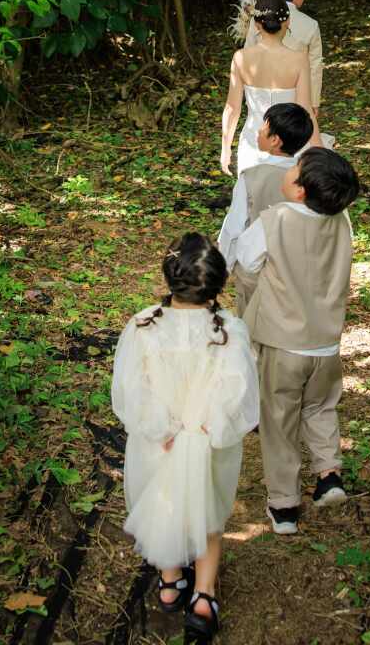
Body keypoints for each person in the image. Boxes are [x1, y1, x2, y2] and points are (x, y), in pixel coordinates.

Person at [111, 232, 259, 640]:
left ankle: (171, 581)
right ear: (217, 285)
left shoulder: (143, 325)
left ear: (170, 277)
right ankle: (204, 594)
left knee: (164, 499)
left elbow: (131, 388)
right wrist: (209, 425)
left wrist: (161, 427)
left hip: (160, 440)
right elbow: (238, 390)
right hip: (205, 440)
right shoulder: (229, 330)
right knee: (205, 506)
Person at [235, 147, 360, 535]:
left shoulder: (275, 220)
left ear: (301, 190)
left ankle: (284, 505)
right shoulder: (342, 222)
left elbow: (247, 260)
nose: (288, 170)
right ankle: (328, 475)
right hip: (326, 343)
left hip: (282, 343)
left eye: (295, 169)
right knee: (321, 406)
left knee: (278, 420)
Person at [217, 102, 313, 314]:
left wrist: (223, 266)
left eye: (264, 127)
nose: (259, 130)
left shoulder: (252, 177)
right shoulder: (311, 177)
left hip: (257, 272)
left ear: (274, 140)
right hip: (300, 272)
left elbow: (234, 226)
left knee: (252, 328)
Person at [221, 0, 319, 176]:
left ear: (256, 24)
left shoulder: (241, 58)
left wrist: (225, 148)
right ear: (288, 22)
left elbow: (232, 108)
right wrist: (319, 149)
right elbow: (306, 110)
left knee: (253, 199)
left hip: (254, 142)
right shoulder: (299, 60)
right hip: (291, 144)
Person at [245, 0, 323, 115]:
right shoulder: (311, 25)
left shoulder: (258, 18)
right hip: (296, 97)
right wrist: (313, 102)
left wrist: (250, 95)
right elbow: (315, 66)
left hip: (260, 95)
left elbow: (247, 57)